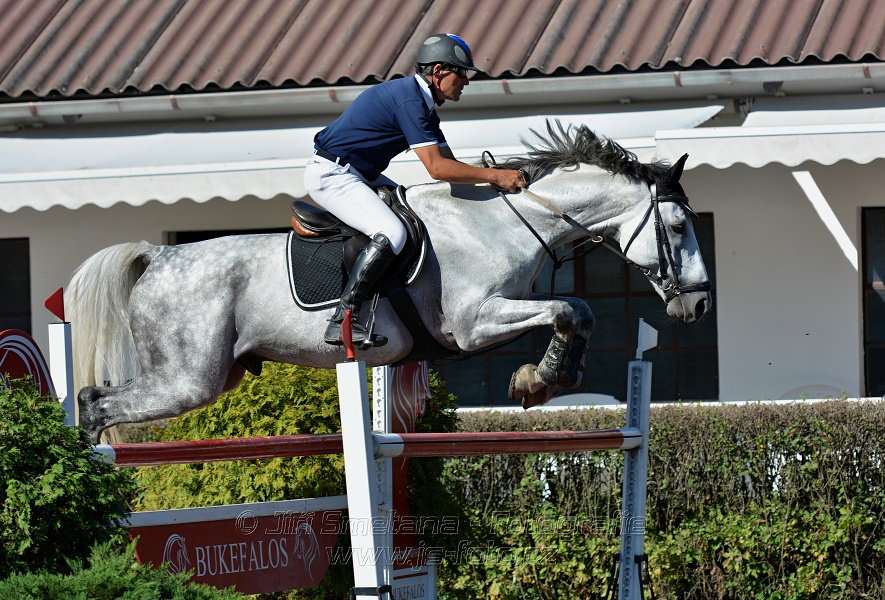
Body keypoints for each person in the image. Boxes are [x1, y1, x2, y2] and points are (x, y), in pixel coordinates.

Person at [305, 33, 524, 348]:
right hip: (332, 174)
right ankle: (344, 319)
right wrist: (495, 176)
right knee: (393, 233)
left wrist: (497, 179)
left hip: (359, 174)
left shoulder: (424, 105)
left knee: (420, 210)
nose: (466, 81)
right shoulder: (410, 101)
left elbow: (451, 167)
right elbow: (437, 168)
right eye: (461, 73)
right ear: (438, 72)